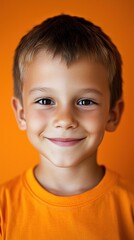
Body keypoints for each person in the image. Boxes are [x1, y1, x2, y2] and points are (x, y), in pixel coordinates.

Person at [0, 14, 134, 239]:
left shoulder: (129, 207)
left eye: (85, 102)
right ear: (21, 114)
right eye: (45, 101)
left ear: (112, 114)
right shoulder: (4, 209)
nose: (64, 119)